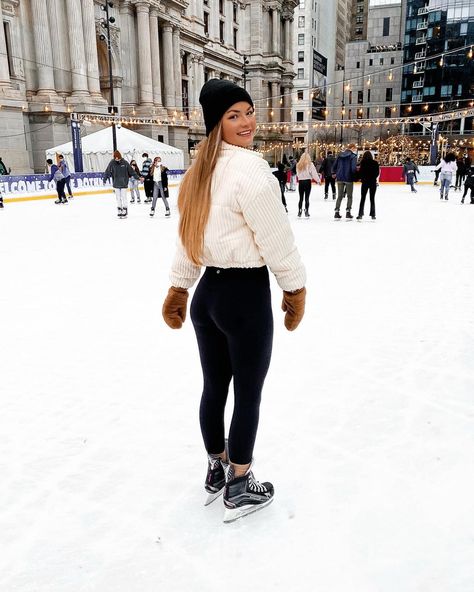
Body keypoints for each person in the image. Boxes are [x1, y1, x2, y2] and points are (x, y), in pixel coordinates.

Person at [161, 78, 306, 523]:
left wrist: (180, 288)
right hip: (243, 299)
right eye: (233, 115)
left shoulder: (197, 174)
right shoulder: (252, 170)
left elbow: (188, 242)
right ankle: (239, 483)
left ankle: (216, 467)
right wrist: (294, 288)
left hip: (208, 299)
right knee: (247, 393)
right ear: (216, 124)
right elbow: (276, 238)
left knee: (213, 386)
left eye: (247, 111)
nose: (246, 122)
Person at [103, 150, 141, 218]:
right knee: (118, 198)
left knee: (124, 197)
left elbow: (132, 172)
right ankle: (119, 209)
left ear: (120, 156)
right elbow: (107, 171)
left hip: (124, 183)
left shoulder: (125, 162)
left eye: (118, 157)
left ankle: (125, 209)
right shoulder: (112, 162)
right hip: (116, 183)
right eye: (115, 158)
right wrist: (104, 179)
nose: (116, 159)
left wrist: (138, 178)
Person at [332, 143, 358, 219]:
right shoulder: (353, 156)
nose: (355, 150)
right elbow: (353, 168)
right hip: (348, 178)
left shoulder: (340, 155)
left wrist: (334, 172)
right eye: (355, 148)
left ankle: (336, 212)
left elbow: (335, 165)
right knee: (349, 196)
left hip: (339, 177)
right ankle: (348, 212)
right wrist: (355, 176)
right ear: (352, 148)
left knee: (339, 196)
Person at [296, 152, 321, 218]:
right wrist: (318, 180)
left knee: (301, 198)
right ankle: (306, 211)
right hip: (307, 182)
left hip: (301, 182)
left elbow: (297, 174)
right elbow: (314, 173)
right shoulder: (310, 164)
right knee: (307, 198)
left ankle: (299, 210)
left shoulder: (298, 164)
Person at [356, 151, 380, 221]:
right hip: (372, 182)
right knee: (372, 199)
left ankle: (360, 214)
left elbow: (361, 172)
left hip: (365, 182)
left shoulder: (363, 163)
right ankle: (373, 215)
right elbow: (377, 173)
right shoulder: (375, 163)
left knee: (363, 198)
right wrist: (373, 178)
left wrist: (362, 178)